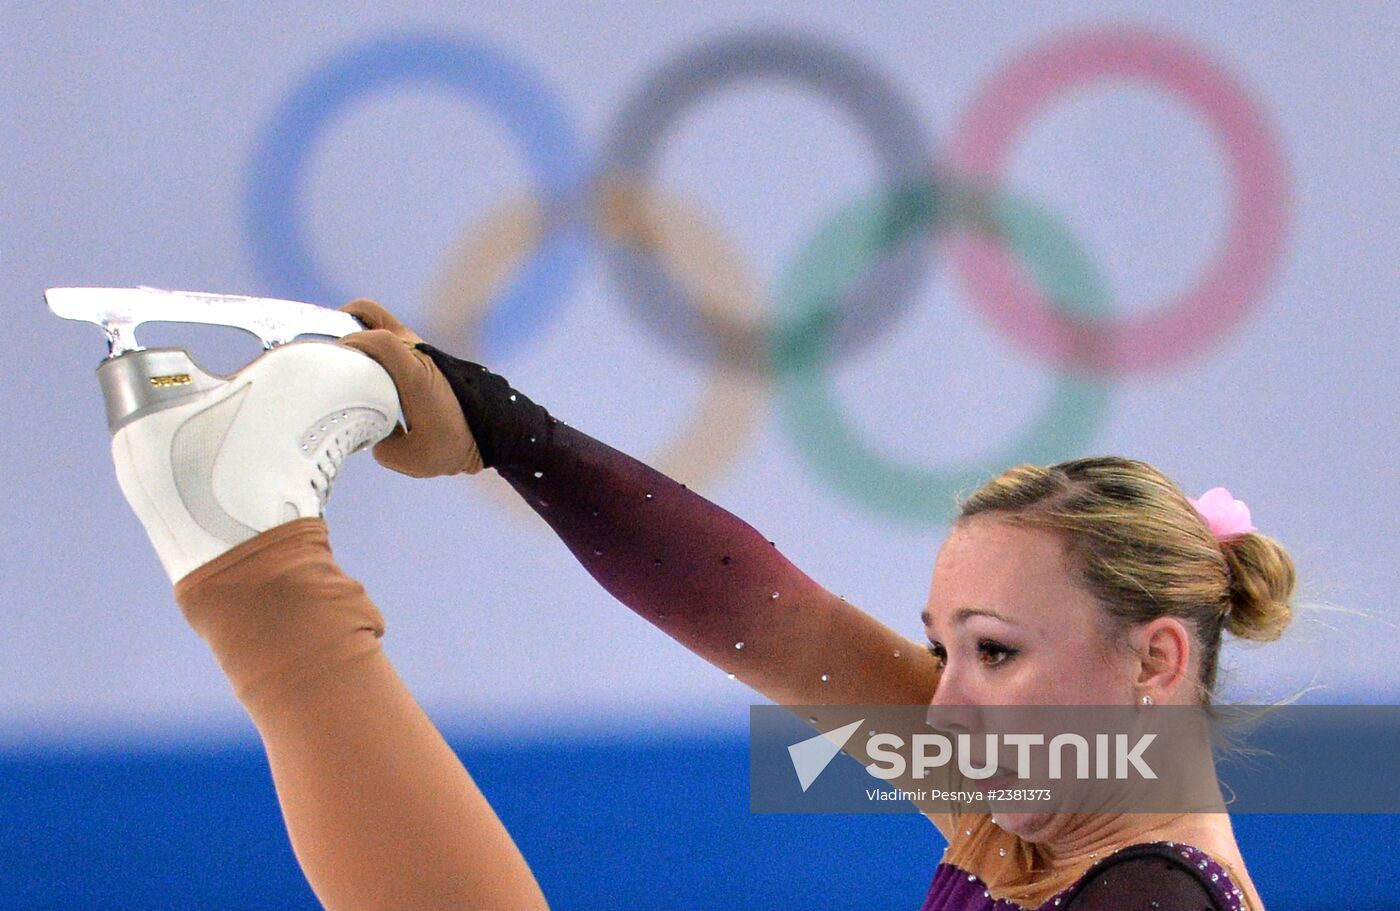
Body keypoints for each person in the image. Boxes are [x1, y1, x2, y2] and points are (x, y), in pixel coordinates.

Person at [103, 297, 1291, 910]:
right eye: (943, 648)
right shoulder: (1041, 804)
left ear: (1151, 663)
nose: (944, 700)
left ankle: (248, 550)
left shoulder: (1138, 891)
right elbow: (781, 621)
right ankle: (244, 542)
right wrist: (492, 422)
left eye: (993, 651)